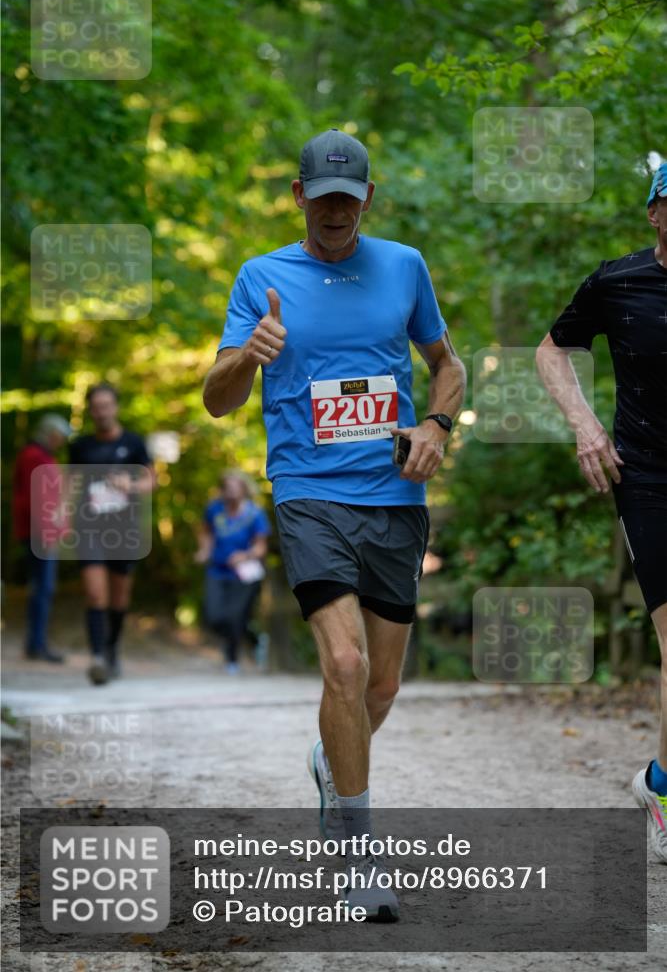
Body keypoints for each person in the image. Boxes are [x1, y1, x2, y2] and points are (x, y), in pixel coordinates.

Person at [203, 128, 466, 920]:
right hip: (307, 493)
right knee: (344, 667)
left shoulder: (404, 266)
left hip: (392, 498)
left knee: (379, 686)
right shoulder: (261, 277)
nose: (333, 214)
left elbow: (446, 366)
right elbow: (216, 400)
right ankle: (357, 859)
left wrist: (435, 427)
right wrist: (248, 352)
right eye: (320, 200)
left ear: (367, 201)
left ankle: (330, 763)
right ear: (297, 196)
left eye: (347, 202)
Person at [536, 163, 667, 863]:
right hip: (646, 476)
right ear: (654, 212)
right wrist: (585, 426)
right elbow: (550, 349)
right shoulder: (616, 283)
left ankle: (654, 778)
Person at [69, 383, 155, 685]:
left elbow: (150, 481)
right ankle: (97, 658)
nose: (102, 411)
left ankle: (111, 649)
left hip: (124, 529)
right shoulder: (80, 446)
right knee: (95, 594)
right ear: (91, 410)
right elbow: (72, 484)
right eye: (97, 406)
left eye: (107, 405)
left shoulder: (133, 443)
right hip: (90, 527)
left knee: (119, 598)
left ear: (115, 407)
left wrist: (129, 486)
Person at [194, 471, 271, 674]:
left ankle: (232, 660)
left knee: (235, 617)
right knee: (214, 616)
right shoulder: (214, 510)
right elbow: (205, 532)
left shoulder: (255, 514)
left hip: (243, 574)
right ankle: (254, 638)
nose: (231, 491)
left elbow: (261, 547)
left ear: (244, 488)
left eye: (235, 487)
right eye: (227, 487)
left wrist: (244, 556)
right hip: (217, 571)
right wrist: (204, 550)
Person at [12, 414, 71, 663]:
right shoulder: (34, 457)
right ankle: (37, 645)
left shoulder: (41, 456)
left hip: (41, 531)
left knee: (43, 588)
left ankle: (36, 643)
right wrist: (47, 532)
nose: (61, 442)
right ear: (51, 434)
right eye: (60, 437)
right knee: (43, 589)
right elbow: (36, 499)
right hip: (40, 534)